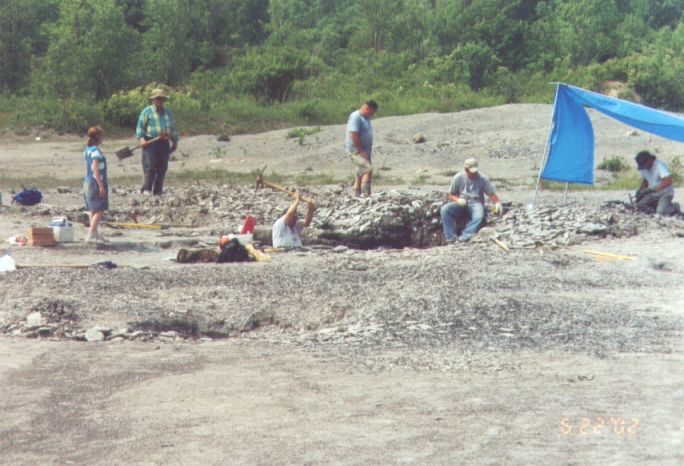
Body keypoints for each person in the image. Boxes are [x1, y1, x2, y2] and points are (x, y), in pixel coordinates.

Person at [440, 158, 503, 243]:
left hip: (476, 202)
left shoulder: (483, 178)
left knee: (479, 216)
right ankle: (450, 238)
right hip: (461, 201)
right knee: (445, 209)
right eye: (472, 172)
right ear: (466, 170)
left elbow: (491, 194)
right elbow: (451, 195)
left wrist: (497, 203)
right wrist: (458, 200)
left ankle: (464, 237)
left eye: (475, 172)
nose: (474, 174)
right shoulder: (458, 177)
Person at [135, 88, 179, 195]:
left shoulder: (168, 113)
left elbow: (173, 128)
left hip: (164, 142)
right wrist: (141, 139)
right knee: (149, 166)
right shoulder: (147, 112)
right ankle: (146, 189)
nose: (160, 101)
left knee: (162, 167)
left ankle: (158, 190)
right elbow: (140, 127)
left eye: (161, 99)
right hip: (150, 141)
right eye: (158, 99)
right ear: (153, 100)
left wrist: (175, 142)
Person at [346, 100, 378, 197]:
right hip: (356, 151)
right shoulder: (356, 117)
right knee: (367, 168)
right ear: (367, 108)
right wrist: (360, 150)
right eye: (372, 112)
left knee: (360, 170)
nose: (372, 115)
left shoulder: (366, 118)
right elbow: (353, 134)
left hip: (365, 151)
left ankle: (357, 192)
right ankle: (365, 193)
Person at [83, 126, 108, 244]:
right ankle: (91, 233)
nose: (103, 138)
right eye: (102, 136)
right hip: (95, 181)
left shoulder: (87, 150)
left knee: (92, 209)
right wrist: (101, 185)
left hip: (87, 181)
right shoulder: (95, 152)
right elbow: (95, 168)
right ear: (97, 137)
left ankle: (95, 234)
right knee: (99, 209)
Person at [634, 150, 680, 215]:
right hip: (653, 194)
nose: (644, 168)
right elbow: (645, 181)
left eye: (644, 165)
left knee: (661, 211)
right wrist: (640, 191)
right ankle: (657, 205)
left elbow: (668, 181)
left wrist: (653, 189)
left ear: (649, 160)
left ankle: (674, 206)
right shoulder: (644, 168)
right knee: (638, 206)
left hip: (665, 193)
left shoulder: (659, 165)